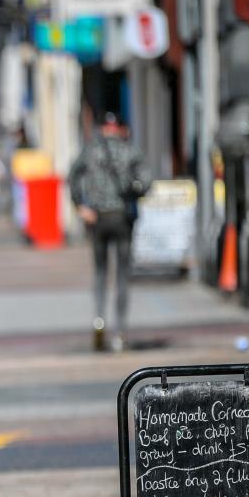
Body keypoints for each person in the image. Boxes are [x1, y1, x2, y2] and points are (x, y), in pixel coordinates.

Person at [68, 113, 152, 353]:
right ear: (119, 128)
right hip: (122, 217)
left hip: (98, 217)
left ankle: (99, 322)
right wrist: (133, 192)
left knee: (100, 272)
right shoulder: (130, 151)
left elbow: (73, 176)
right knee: (123, 274)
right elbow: (146, 182)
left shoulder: (91, 150)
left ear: (103, 128)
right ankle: (121, 331)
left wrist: (80, 206)